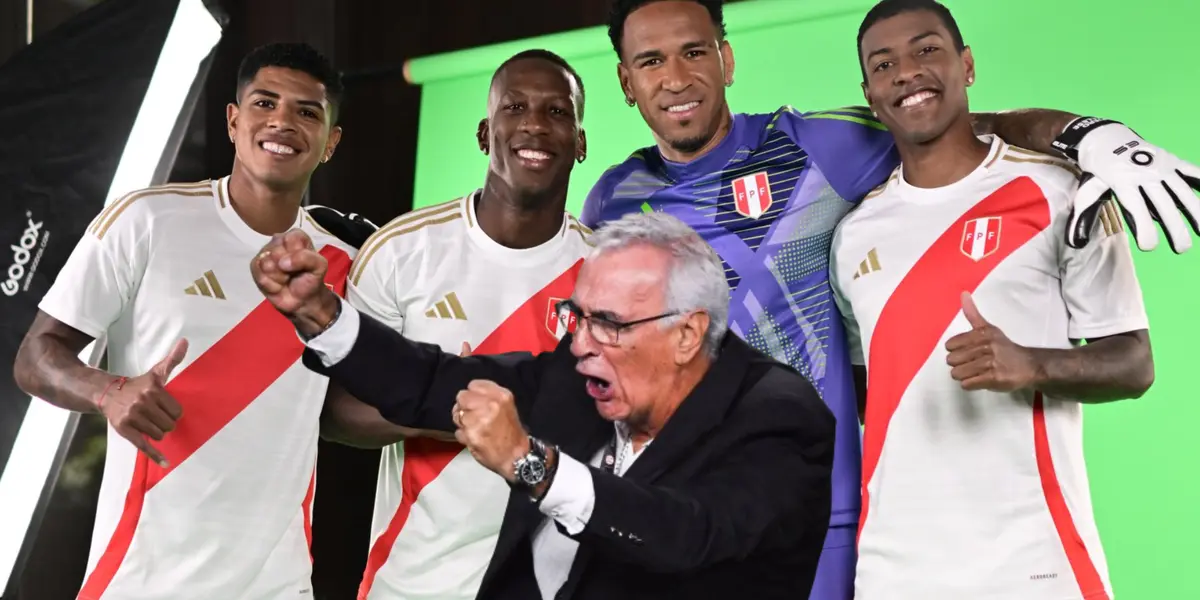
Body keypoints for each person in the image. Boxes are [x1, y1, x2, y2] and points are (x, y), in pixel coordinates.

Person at [580, 1, 1199, 597]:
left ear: (727, 59)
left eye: (694, 52)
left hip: (816, 520)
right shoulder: (612, 202)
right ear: (626, 81)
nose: (677, 78)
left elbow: (948, 120)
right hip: (688, 518)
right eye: (652, 61)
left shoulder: (817, 146)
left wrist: (1090, 138)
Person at [251, 211, 837, 599]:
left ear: (687, 334)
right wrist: (320, 315)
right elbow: (434, 381)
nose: (579, 342)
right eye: (578, 316)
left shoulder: (779, 417)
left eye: (608, 323)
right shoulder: (582, 370)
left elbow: (685, 536)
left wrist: (531, 464)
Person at [11, 43, 360, 600]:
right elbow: (36, 356)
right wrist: (110, 391)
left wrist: (450, 408)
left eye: (307, 112)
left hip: (278, 585)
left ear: (330, 144)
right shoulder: (146, 219)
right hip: (139, 581)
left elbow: (338, 412)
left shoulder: (345, 264)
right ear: (232, 120)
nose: (282, 122)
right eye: (264, 103)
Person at [830, 1, 1154, 598]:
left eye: (926, 49)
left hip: (1034, 559)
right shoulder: (852, 236)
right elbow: (869, 397)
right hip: (893, 569)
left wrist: (1033, 365)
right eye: (883, 64)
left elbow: (1134, 364)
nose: (906, 71)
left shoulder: (1061, 192)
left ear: (967, 65)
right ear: (870, 92)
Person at [321, 49, 594, 600]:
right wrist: (460, 415)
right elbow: (336, 412)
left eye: (557, 112)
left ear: (581, 142)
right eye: (515, 106)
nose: (535, 125)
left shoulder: (605, 273)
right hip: (415, 580)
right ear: (483, 132)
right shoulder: (401, 250)